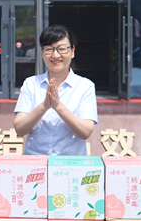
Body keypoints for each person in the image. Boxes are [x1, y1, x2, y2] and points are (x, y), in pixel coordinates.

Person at [14, 25, 97, 155]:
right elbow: (19, 129)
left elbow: (86, 132)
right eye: (49, 49)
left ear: (72, 51)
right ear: (42, 53)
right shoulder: (31, 84)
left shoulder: (85, 86)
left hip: (71, 162)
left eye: (62, 49)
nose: (55, 55)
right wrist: (44, 106)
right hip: (36, 162)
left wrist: (58, 106)